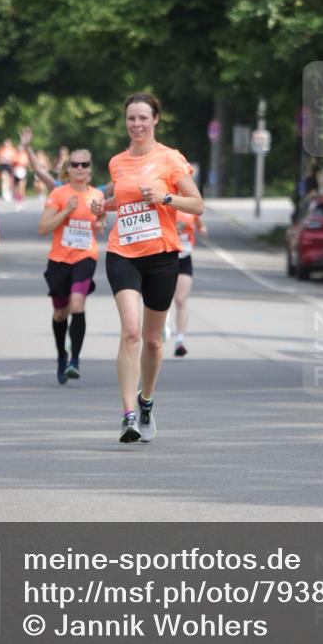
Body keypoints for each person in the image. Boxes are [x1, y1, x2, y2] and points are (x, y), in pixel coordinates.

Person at [91, 92, 203, 444]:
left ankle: (146, 401)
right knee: (131, 332)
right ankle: (127, 416)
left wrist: (166, 198)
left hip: (162, 255)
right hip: (122, 252)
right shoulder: (117, 162)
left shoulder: (170, 159)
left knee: (153, 340)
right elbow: (123, 203)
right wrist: (102, 207)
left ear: (155, 119)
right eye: (130, 118)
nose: (136, 124)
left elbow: (197, 204)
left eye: (142, 118)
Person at [38, 149, 105, 384]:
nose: (79, 168)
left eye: (84, 164)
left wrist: (100, 223)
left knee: (77, 304)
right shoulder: (58, 194)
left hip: (85, 257)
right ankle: (61, 356)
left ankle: (75, 360)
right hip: (58, 260)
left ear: (89, 169)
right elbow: (43, 228)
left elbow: (100, 222)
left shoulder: (97, 195)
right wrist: (66, 210)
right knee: (60, 313)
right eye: (75, 164)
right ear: (68, 169)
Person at [169, 211, 207, 357]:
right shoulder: (166, 204)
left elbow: (200, 226)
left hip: (184, 258)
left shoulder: (192, 209)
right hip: (165, 257)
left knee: (180, 300)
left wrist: (203, 230)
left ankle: (180, 340)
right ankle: (162, 327)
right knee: (162, 298)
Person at [19, 127, 59, 193]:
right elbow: (38, 169)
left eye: (82, 164)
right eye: (75, 165)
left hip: (44, 174)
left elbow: (47, 166)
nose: (79, 167)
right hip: (41, 175)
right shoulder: (62, 187)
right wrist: (27, 147)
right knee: (36, 184)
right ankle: (39, 194)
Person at [12, 145, 30, 212]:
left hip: (22, 172)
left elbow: (27, 164)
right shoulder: (15, 155)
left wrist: (22, 164)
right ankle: (17, 203)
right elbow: (13, 163)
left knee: (22, 188)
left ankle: (22, 203)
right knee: (16, 189)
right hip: (16, 172)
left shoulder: (24, 155)